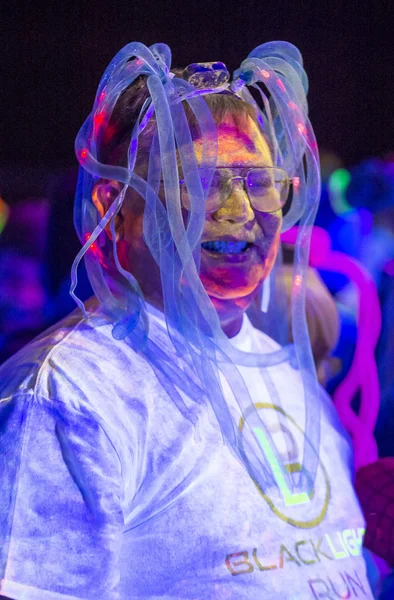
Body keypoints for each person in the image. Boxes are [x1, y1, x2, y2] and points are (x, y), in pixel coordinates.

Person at [0, 42, 374, 599]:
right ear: (115, 207)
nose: (240, 212)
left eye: (259, 181)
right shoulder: (70, 397)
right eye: (202, 182)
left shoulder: (290, 378)